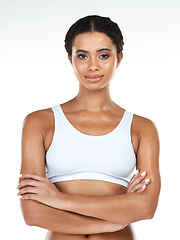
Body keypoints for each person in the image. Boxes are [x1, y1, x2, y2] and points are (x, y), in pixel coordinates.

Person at [17, 15, 161, 240]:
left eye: (104, 55)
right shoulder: (40, 123)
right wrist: (114, 221)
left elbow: (146, 207)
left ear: (119, 58)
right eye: (82, 56)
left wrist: (59, 200)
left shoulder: (142, 128)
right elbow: (33, 213)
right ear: (70, 59)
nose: (93, 66)